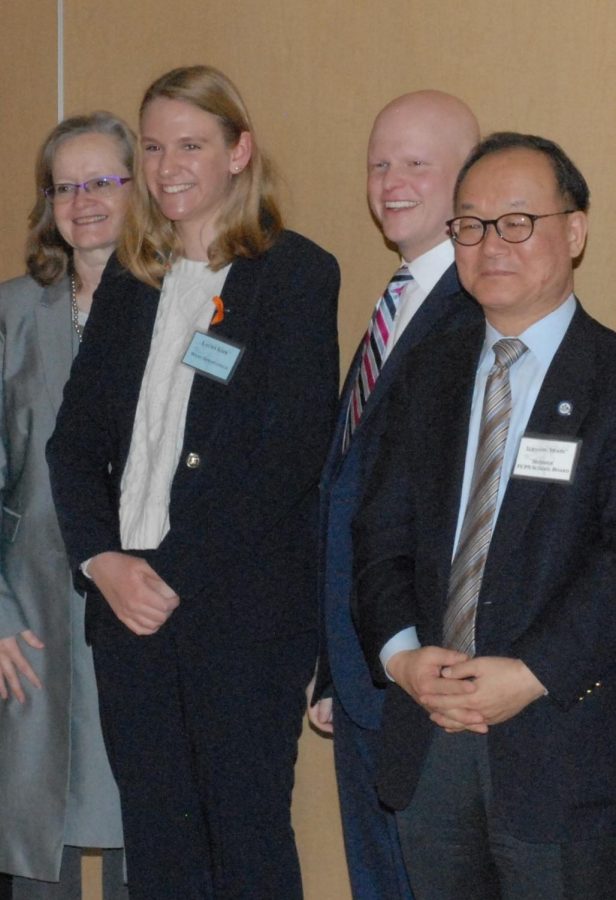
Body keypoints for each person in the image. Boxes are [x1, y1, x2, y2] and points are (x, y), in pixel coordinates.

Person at [47, 65, 340, 900]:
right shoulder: (132, 284)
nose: (168, 165)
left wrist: (165, 574)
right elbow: (72, 449)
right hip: (128, 612)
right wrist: (103, 561)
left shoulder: (294, 276)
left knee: (246, 845)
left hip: (239, 615)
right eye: (153, 147)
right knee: (159, 847)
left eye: (191, 145)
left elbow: (283, 458)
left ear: (238, 152)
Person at [352, 131, 616, 899]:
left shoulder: (608, 379)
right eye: (470, 224)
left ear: (575, 230)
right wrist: (400, 657)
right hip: (429, 740)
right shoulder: (425, 373)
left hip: (563, 747)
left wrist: (534, 672)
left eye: (516, 221)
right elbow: (379, 531)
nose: (490, 243)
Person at [309, 90, 480, 898]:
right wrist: (337, 669)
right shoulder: (399, 300)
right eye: (380, 163)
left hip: (425, 683)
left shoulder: (478, 314)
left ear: (466, 181)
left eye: (417, 162)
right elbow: (349, 493)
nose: (391, 181)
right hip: (364, 673)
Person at [0, 112, 135, 899]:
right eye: (64, 186)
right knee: (33, 834)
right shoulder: (14, 313)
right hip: (30, 614)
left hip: (144, 610)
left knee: (147, 832)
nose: (82, 201)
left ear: (139, 189)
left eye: (102, 181)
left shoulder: (184, 307)